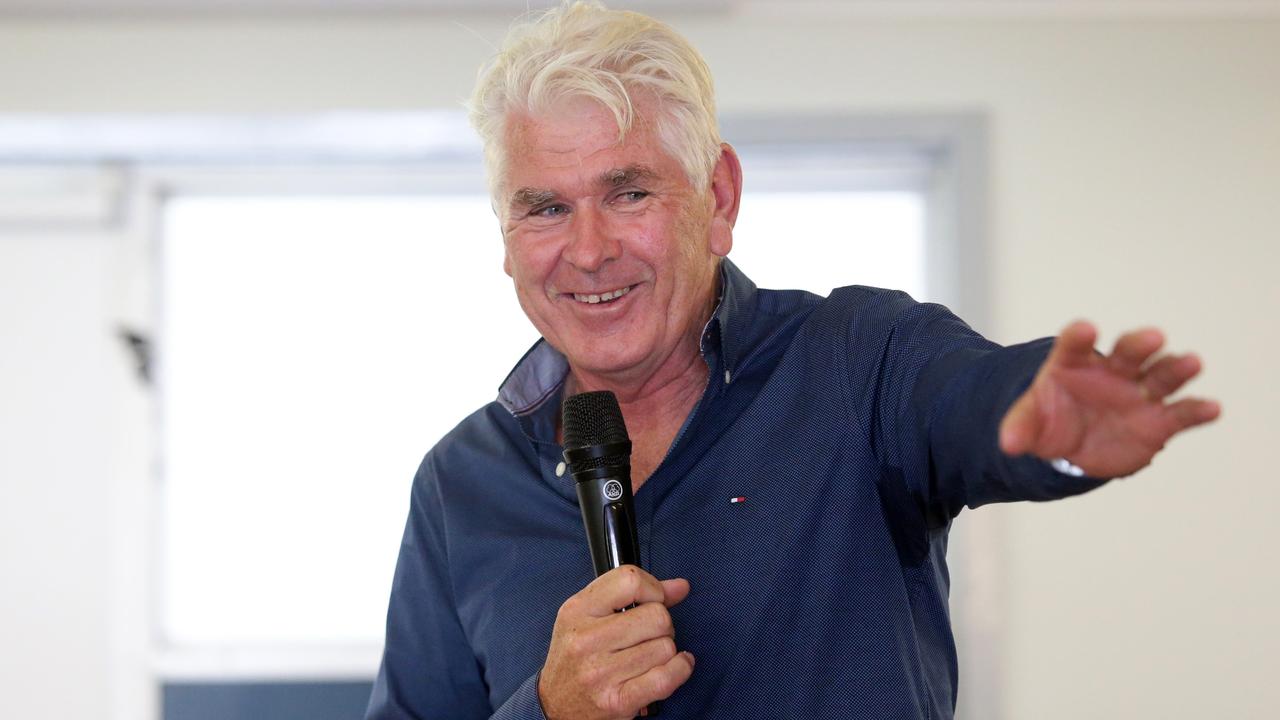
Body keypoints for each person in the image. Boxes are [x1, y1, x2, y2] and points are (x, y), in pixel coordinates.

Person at [365, 3, 1220, 719]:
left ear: (718, 198)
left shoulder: (856, 359)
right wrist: (547, 711)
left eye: (629, 193)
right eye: (546, 208)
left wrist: (1044, 423)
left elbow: (972, 401)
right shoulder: (458, 484)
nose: (588, 252)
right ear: (506, 240)